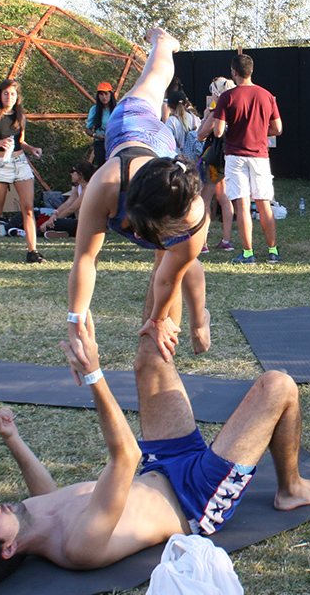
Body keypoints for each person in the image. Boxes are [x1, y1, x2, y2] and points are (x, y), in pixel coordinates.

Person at [0, 314, 310, 587]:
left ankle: (176, 251)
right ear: (8, 550)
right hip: (194, 498)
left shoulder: (34, 516)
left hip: (164, 465)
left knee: (150, 350)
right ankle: (290, 489)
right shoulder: (78, 546)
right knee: (278, 386)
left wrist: (12, 438)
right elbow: (125, 457)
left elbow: (48, 496)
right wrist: (94, 374)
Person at [66, 27, 211, 376]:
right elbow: (85, 259)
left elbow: (168, 276)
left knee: (183, 263)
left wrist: (160, 319)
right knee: (156, 75)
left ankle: (201, 317)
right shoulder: (105, 184)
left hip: (159, 150)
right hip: (131, 124)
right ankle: (163, 41)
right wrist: (75, 322)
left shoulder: (193, 213)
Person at [211, 55, 282, 265]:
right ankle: (273, 251)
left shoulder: (227, 97)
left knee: (242, 205)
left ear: (234, 72)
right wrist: (261, 132)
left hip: (235, 155)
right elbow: (278, 128)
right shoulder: (267, 95)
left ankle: (248, 253)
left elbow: (217, 131)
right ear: (251, 71)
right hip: (260, 155)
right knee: (264, 204)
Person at [0, 79, 45, 263]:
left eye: (13, 94)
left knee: (28, 209)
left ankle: (32, 251)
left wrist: (31, 149)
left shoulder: (20, 116)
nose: (9, 97)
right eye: (6, 93)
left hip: (20, 162)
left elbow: (20, 141)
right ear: (0, 95)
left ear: (17, 97)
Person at [197, 77, 236, 252]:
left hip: (214, 160)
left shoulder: (216, 112)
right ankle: (226, 239)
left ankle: (202, 242)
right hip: (230, 158)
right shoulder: (235, 110)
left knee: (205, 198)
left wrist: (206, 117)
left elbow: (201, 134)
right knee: (224, 197)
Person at [43, 160, 96, 239]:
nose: (71, 174)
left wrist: (52, 221)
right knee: (50, 224)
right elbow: (67, 204)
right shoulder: (78, 188)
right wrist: (54, 214)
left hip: (90, 225)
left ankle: (25, 233)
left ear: (80, 173)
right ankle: (62, 233)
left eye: (73, 171)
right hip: (79, 222)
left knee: (52, 225)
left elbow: (72, 208)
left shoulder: (89, 188)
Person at [86, 82, 116, 168]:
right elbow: (88, 129)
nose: (104, 97)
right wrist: (95, 135)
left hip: (115, 142)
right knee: (102, 168)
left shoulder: (118, 108)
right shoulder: (94, 110)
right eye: (101, 94)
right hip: (100, 143)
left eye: (106, 94)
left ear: (110, 94)